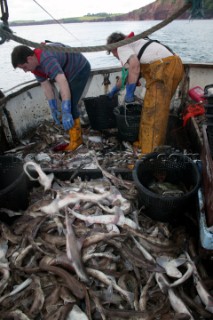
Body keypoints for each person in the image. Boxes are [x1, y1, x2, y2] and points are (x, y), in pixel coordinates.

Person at [106, 32, 184, 155]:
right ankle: (145, 145)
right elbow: (126, 74)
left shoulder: (122, 46)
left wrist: (130, 92)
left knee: (153, 115)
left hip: (163, 69)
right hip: (172, 67)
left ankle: (149, 155)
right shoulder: (134, 45)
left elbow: (135, 66)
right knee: (152, 111)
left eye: (112, 52)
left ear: (113, 47)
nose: (115, 56)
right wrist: (114, 90)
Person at [11, 42, 91, 151]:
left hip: (80, 68)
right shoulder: (35, 66)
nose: (25, 71)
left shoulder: (46, 60)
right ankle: (74, 133)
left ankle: (76, 141)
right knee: (64, 99)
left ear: (29, 58)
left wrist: (66, 110)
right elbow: (46, 86)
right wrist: (53, 107)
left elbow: (62, 82)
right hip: (67, 72)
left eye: (24, 67)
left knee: (70, 103)